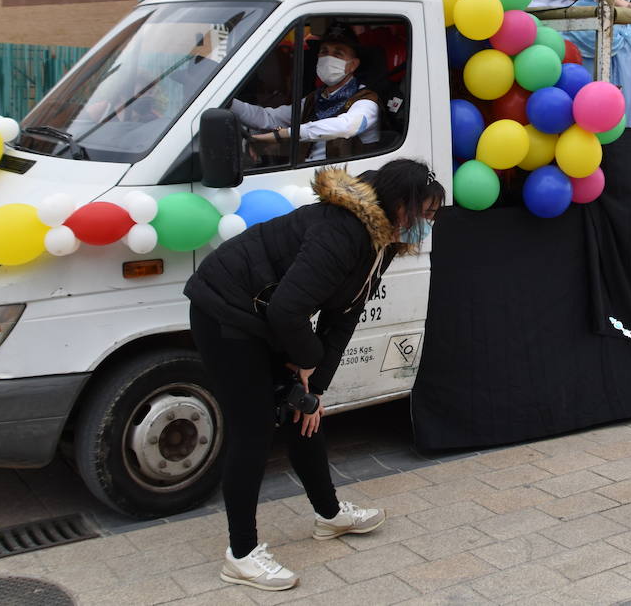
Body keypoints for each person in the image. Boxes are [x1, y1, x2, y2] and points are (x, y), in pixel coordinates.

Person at [185, 159, 444, 591]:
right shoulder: (342, 232)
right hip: (226, 313)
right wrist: (305, 360)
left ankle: (329, 515)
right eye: (427, 213)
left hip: (266, 317)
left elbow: (344, 317)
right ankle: (242, 555)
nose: (429, 224)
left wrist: (314, 386)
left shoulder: (382, 239)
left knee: (305, 412)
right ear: (400, 206)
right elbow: (290, 309)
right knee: (252, 431)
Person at [230, 25, 379, 162]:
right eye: (324, 52)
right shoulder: (314, 99)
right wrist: (229, 103)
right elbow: (269, 118)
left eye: (338, 54)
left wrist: (281, 135)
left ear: (353, 65)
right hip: (308, 173)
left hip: (345, 181)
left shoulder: (366, 101)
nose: (328, 58)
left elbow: (347, 127)